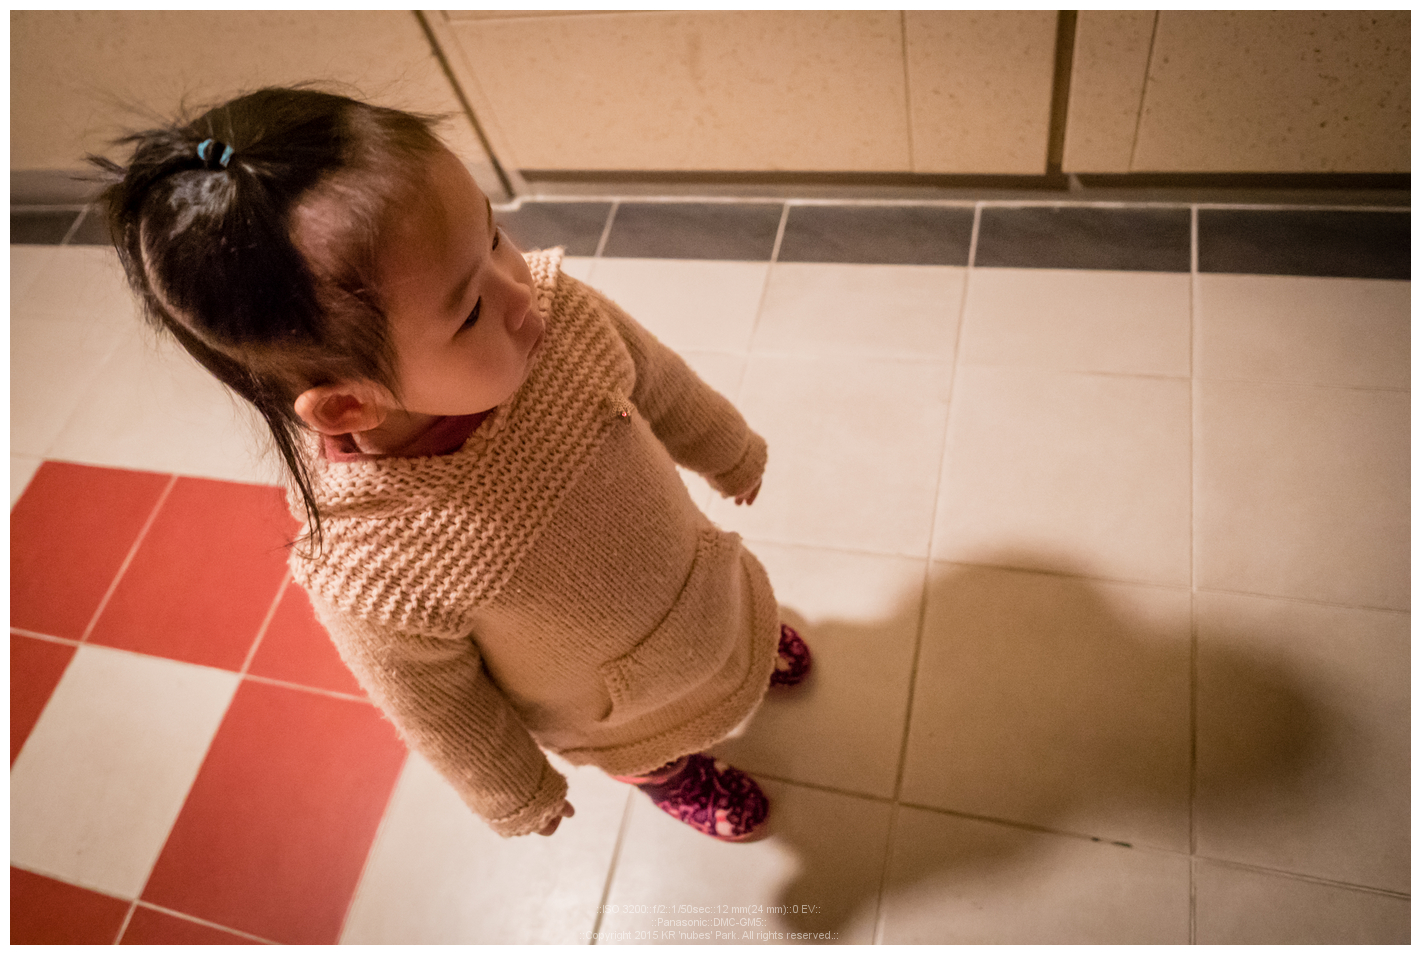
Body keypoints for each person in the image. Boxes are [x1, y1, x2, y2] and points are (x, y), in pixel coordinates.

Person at [92, 87, 812, 841]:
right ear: (350, 404)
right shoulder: (369, 568)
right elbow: (436, 703)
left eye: (494, 238)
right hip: (622, 706)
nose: (520, 292)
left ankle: (747, 651)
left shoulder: (557, 316)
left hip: (704, 584)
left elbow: (657, 379)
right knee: (653, 748)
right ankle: (672, 775)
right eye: (468, 311)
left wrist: (726, 447)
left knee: (734, 626)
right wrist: (514, 789)